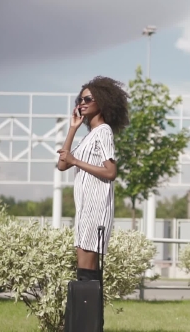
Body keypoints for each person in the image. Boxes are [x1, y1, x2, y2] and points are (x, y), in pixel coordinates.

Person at [57, 76, 130, 281]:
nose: (82, 103)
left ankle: (88, 312)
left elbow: (111, 172)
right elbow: (62, 164)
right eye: (80, 100)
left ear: (102, 101)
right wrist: (73, 128)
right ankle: (86, 312)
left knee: (87, 271)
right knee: (84, 270)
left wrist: (76, 161)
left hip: (96, 209)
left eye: (88, 99)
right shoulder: (89, 136)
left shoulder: (103, 132)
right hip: (85, 209)